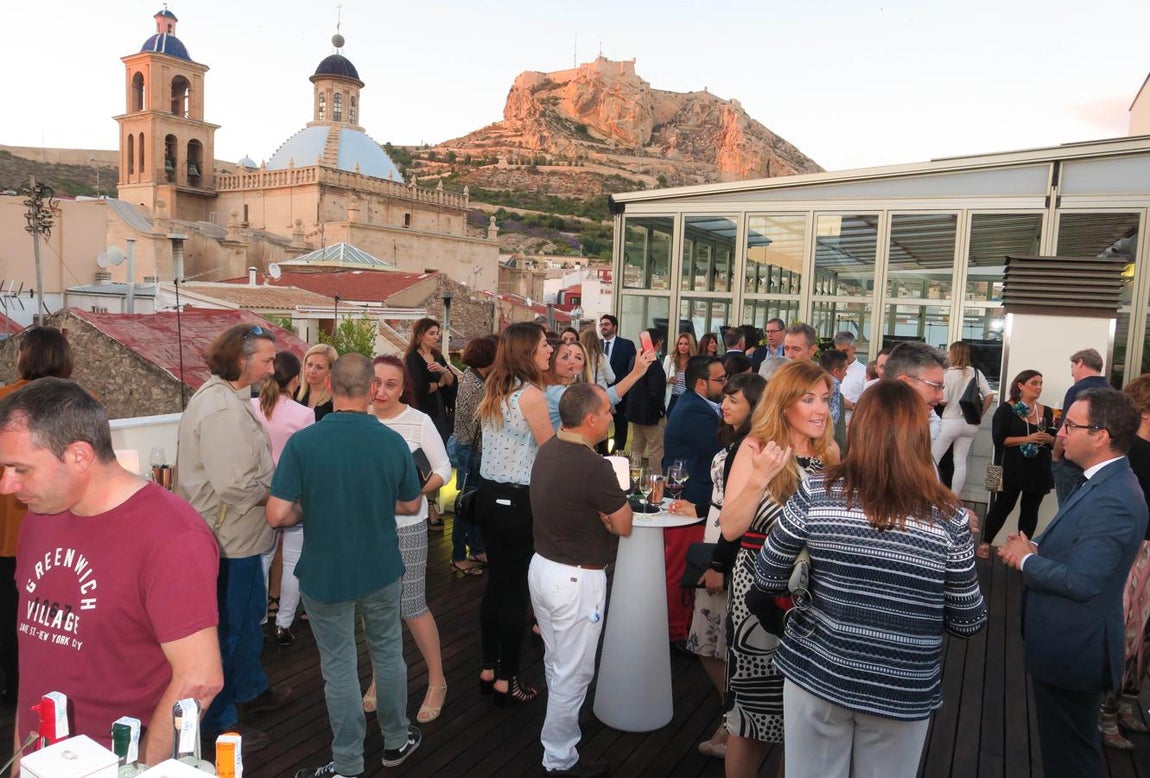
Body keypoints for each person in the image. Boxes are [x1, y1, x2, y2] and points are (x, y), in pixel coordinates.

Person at [755, 380, 987, 778]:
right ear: (919, 437)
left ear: (859, 429)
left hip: (818, 667)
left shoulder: (816, 491)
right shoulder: (949, 518)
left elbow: (767, 574)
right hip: (902, 683)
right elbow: (969, 620)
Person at [0, 378, 223, 766]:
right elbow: (37, 652)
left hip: (112, 762)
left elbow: (199, 678)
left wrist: (141, 770)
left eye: (20, 469)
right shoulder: (40, 515)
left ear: (79, 456)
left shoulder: (172, 536)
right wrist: (22, 758)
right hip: (40, 758)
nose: (7, 486)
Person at [269, 354, 425, 777]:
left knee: (338, 666)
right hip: (380, 569)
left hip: (325, 574)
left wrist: (307, 511)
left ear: (332, 387)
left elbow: (277, 514)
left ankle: (349, 764)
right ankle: (396, 741)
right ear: (371, 388)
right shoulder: (392, 443)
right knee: (389, 654)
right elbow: (412, 503)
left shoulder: (304, 442)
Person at [998, 388, 1147, 778]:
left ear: (1101, 435)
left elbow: (1083, 581)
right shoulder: (1100, 481)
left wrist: (1026, 559)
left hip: (1075, 649)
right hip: (1067, 646)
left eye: (1070, 425)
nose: (1061, 432)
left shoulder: (1113, 497)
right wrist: (1036, 546)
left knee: (1071, 758)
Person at [718, 360, 838, 777]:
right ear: (784, 405)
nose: (821, 409)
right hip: (757, 595)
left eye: (825, 398)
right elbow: (730, 527)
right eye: (809, 399)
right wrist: (758, 480)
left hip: (815, 597)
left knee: (804, 718)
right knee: (751, 717)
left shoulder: (831, 454)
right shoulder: (756, 448)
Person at [176, 323, 285, 747]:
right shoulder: (222, 410)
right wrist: (283, 501)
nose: (273, 367)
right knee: (227, 629)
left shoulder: (230, 398)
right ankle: (217, 721)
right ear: (242, 361)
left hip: (241, 540)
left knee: (248, 618)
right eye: (267, 359)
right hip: (226, 543)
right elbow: (236, 486)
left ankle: (250, 690)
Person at [528, 383, 632, 777]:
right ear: (591, 419)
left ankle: (562, 728)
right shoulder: (595, 467)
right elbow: (624, 524)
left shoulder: (548, 450)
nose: (611, 417)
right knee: (574, 673)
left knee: (557, 662)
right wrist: (606, 516)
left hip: (542, 569)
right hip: (576, 581)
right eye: (607, 412)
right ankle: (559, 758)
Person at [681, 373, 766, 760]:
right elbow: (724, 499)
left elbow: (741, 513)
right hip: (717, 532)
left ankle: (734, 723)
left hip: (728, 546)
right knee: (710, 642)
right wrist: (700, 510)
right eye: (725, 397)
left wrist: (719, 564)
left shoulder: (749, 446)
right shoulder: (735, 442)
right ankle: (732, 718)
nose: (725, 404)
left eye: (735, 399)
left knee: (718, 643)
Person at [365, 355, 453, 724]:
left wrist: (415, 495)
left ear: (403, 389)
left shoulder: (418, 421)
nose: (381, 390)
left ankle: (437, 680)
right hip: (368, 531)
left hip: (407, 527)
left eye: (391, 384)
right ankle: (378, 677)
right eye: (375, 382)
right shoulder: (360, 421)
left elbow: (444, 470)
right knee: (375, 608)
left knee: (412, 605)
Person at [476, 322, 554, 704]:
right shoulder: (531, 395)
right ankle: (509, 676)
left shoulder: (495, 388)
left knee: (496, 586)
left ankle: (489, 664)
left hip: (489, 499)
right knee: (515, 591)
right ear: (527, 352)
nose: (550, 350)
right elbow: (550, 451)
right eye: (544, 344)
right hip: (518, 503)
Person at [0, 326, 74, 703]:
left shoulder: (3, 401)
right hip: (56, 535)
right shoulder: (77, 405)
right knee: (45, 622)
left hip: (6, 533)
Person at [1099, 374, 1150, 749]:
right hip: (1136, 552)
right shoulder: (1129, 453)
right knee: (1126, 634)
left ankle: (1129, 704)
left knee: (1146, 638)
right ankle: (1106, 713)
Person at [662, 355, 726, 647]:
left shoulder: (697, 405)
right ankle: (675, 632)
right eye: (721, 379)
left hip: (692, 499)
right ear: (702, 383)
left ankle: (680, 627)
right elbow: (723, 445)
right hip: (688, 500)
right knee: (680, 568)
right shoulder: (694, 413)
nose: (725, 385)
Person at [252, 351, 314, 645]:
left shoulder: (251, 407)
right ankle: (284, 624)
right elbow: (308, 459)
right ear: (295, 379)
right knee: (292, 561)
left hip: (260, 494)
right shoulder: (303, 414)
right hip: (293, 495)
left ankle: (259, 620)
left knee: (262, 559)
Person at [977, 370, 1055, 559]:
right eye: (1034, 383)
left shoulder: (1047, 411)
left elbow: (1053, 439)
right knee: (1002, 506)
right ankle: (985, 542)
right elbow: (999, 440)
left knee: (1030, 511)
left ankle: (1023, 551)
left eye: (1041, 383)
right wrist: (1027, 438)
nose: (1038, 387)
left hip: (1038, 468)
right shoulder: (1005, 409)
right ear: (1020, 386)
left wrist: (1050, 439)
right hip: (1009, 467)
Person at [448, 335, 497, 576]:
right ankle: (458, 555)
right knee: (466, 505)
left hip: (471, 448)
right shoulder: (477, 386)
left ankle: (476, 548)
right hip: (473, 450)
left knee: (475, 502)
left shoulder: (472, 376)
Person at [932, 341, 993, 496]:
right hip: (970, 423)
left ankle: (931, 495)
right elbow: (989, 395)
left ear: (953, 353)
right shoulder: (976, 373)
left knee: (932, 460)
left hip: (950, 421)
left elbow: (944, 400)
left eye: (949, 351)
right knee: (960, 463)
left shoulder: (947, 374)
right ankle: (954, 498)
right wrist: (980, 414)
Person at [1051, 348, 1109, 504]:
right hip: (1097, 464)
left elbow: (1065, 430)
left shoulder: (1077, 390)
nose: (1072, 373)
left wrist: (1055, 456)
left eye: (1072, 367)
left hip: (1072, 463)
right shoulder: (1111, 391)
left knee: (1067, 511)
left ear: (1081, 363)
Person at [883, 340, 947, 441]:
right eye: (935, 386)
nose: (941, 396)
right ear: (904, 384)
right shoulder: (880, 439)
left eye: (941, 387)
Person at [626, 328, 667, 468]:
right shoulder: (653, 362)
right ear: (659, 342)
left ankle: (631, 476)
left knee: (636, 447)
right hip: (650, 413)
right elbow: (656, 391)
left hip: (635, 410)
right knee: (656, 449)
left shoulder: (635, 358)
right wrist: (660, 410)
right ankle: (657, 481)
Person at [599, 315, 636, 454]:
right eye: (601, 324)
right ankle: (603, 454)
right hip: (601, 395)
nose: (603, 326)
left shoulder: (626, 345)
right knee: (601, 427)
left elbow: (631, 368)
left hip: (620, 395)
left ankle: (617, 455)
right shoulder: (597, 345)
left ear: (614, 327)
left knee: (621, 428)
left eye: (607, 324)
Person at [296, 343, 338, 421]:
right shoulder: (295, 393)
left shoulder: (336, 400)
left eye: (319, 367)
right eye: (309, 364)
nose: (312, 371)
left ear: (331, 371)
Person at [832, 331, 867, 425]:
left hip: (852, 425)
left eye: (845, 351)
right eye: (838, 352)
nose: (841, 355)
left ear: (854, 348)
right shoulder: (829, 369)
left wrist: (851, 406)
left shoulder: (864, 373)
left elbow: (869, 407)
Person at [664, 331, 697, 417]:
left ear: (690, 346)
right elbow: (661, 379)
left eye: (686, 344)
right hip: (672, 399)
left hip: (688, 399)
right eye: (680, 343)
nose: (682, 346)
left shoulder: (695, 362)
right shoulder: (669, 359)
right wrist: (668, 380)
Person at [580, 328, 615, 392]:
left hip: (582, 393)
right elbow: (611, 379)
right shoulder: (601, 357)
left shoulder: (579, 357)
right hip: (599, 393)